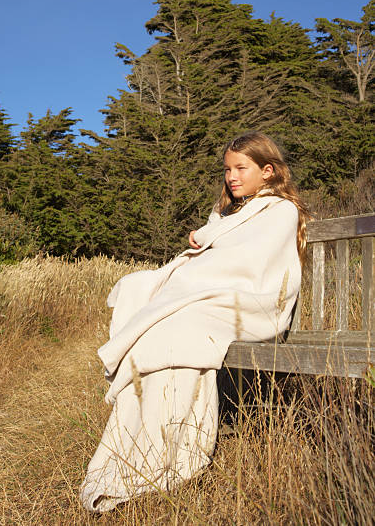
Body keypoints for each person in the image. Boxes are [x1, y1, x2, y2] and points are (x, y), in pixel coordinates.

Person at [80, 132, 308, 512]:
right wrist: (205, 236)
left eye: (241, 168)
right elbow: (218, 246)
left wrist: (198, 261)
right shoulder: (229, 212)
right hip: (221, 296)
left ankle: (172, 447)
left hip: (255, 302)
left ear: (268, 171)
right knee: (148, 300)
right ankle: (145, 440)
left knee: (175, 325)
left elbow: (251, 263)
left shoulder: (280, 210)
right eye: (227, 169)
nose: (231, 177)